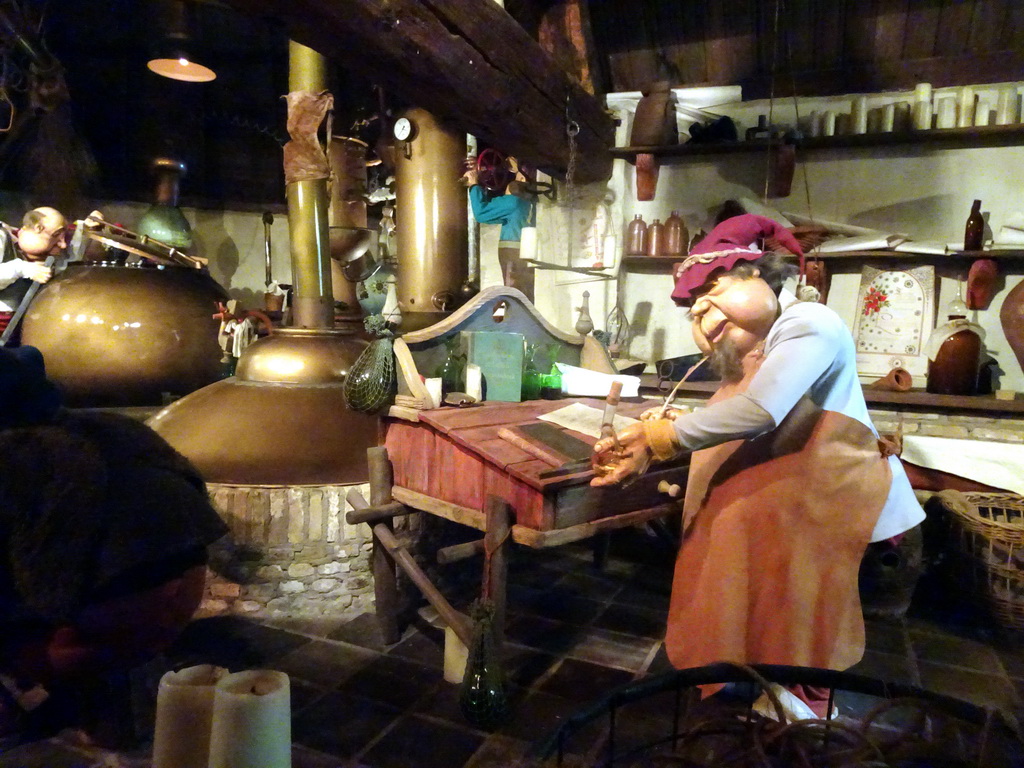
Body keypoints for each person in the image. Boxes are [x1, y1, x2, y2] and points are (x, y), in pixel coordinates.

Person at [591, 213, 925, 719]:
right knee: (754, 582)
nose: (701, 310)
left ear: (756, 275)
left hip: (831, 498)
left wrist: (662, 437)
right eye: (691, 306)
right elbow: (735, 409)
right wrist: (658, 438)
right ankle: (754, 679)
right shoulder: (761, 340)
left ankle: (802, 706)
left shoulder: (809, 323)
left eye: (714, 287)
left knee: (799, 604)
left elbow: (761, 410)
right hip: (792, 494)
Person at [0, 345, 228, 743]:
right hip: (186, 586)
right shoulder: (113, 427)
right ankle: (111, 701)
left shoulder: (22, 455)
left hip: (103, 625)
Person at [0, 207, 103, 342]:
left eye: (64, 237)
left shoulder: (48, 254)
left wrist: (87, 228)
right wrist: (22, 268)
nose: (63, 244)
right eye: (55, 236)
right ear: (37, 228)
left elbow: (69, 261)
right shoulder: (2, 237)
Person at [462, 156, 536, 301]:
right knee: (524, 293)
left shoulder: (513, 202)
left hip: (511, 253)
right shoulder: (528, 202)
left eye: (517, 175)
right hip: (526, 253)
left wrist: (474, 185)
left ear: (522, 180)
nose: (512, 178)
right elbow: (494, 215)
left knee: (513, 292)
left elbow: (482, 214)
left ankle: (512, 319)